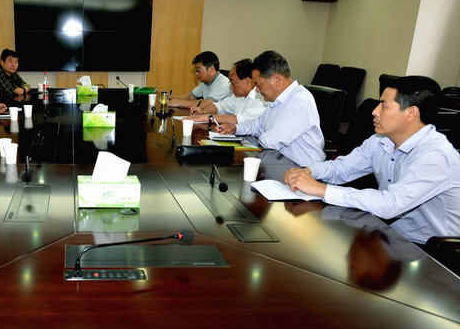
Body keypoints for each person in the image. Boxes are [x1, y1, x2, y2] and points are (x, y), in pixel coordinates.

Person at [284, 75, 460, 245]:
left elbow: (390, 204)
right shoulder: (381, 140)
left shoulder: (435, 155)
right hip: (390, 233)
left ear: (411, 113)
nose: (374, 111)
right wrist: (309, 171)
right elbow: (343, 168)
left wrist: (320, 189)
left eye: (384, 106)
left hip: (433, 250)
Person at [216, 50, 325, 167]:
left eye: (259, 85)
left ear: (276, 80)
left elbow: (271, 141)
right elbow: (257, 126)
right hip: (279, 162)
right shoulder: (277, 100)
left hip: (304, 170)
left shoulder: (300, 100)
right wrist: (235, 129)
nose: (257, 90)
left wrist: (246, 143)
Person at [189, 58, 267, 125]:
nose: (230, 88)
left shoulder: (261, 99)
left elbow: (239, 119)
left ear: (246, 81)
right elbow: (220, 106)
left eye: (232, 83)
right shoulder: (239, 96)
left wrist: (207, 118)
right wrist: (203, 112)